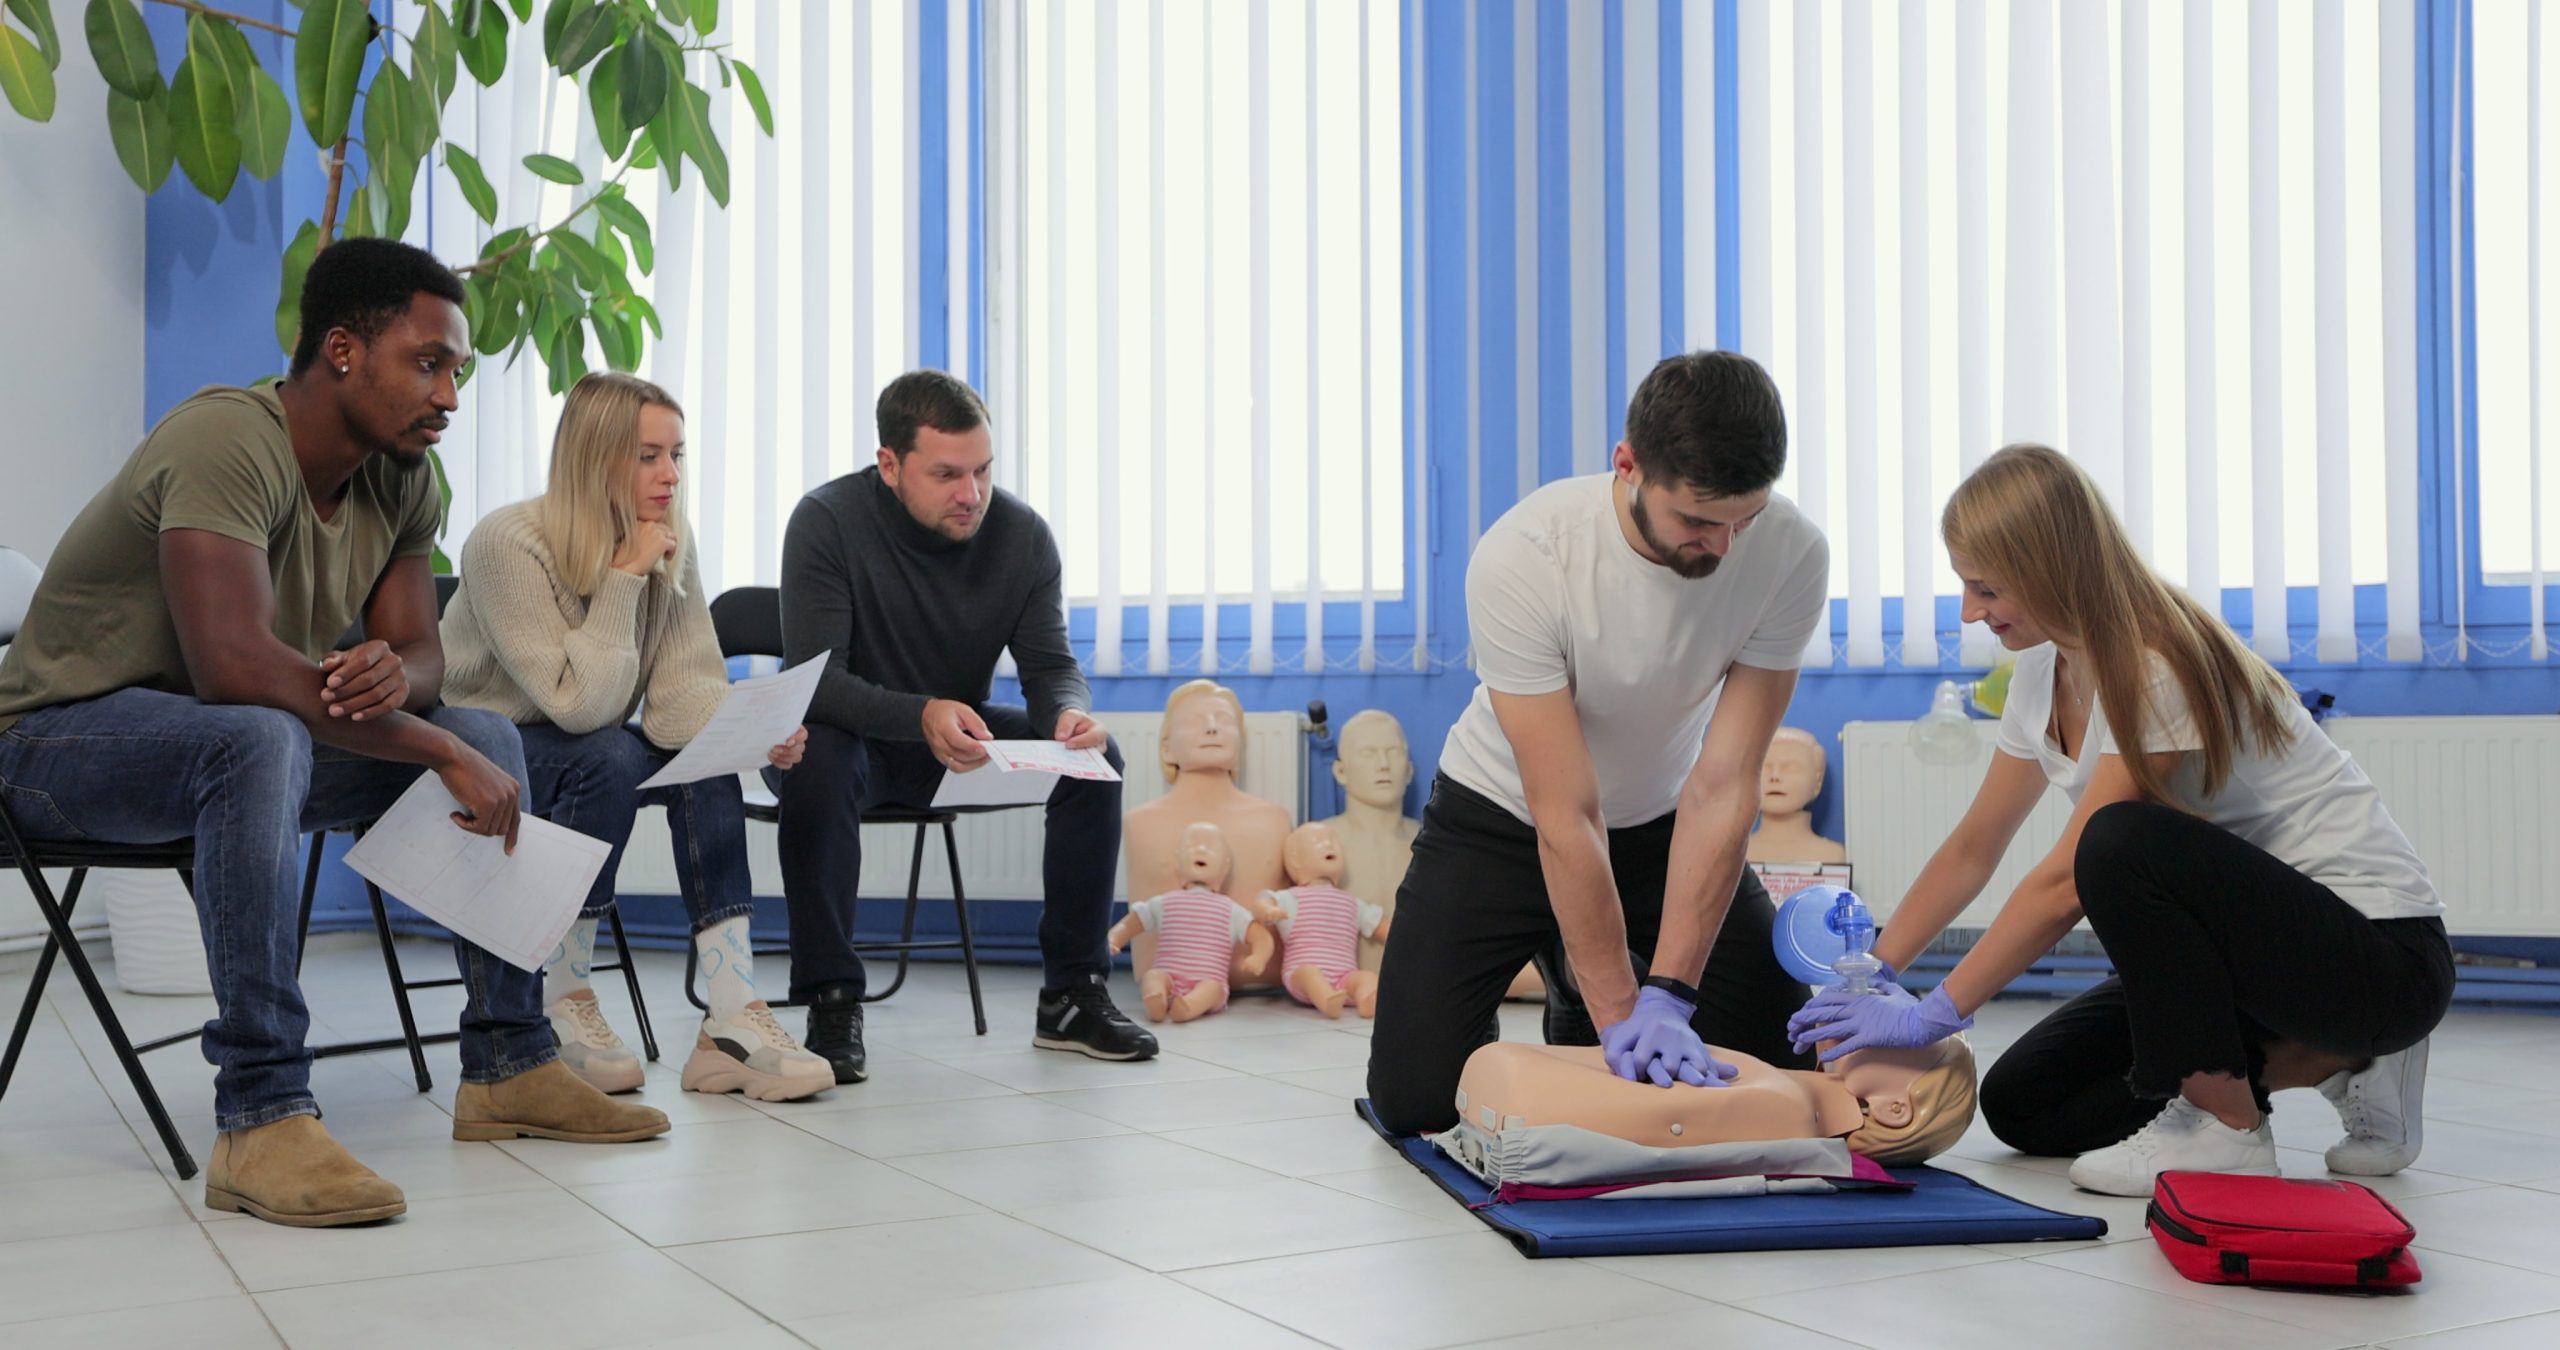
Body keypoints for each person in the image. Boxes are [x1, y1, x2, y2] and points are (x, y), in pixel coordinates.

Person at [0, 238, 667, 1227]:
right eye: (428, 362)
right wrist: (436, 747)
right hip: (57, 747)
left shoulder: (403, 476)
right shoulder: (225, 439)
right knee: (272, 737)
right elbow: (232, 667)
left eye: (458, 372)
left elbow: (424, 658)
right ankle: (261, 1117)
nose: (448, 393)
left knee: (485, 727)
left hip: (233, 748)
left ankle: (508, 1062)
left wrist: (412, 677)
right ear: (344, 350)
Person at [1787, 444, 2450, 1196]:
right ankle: (2329, 1059)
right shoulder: (2042, 669)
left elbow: (2066, 880)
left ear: (2051, 569)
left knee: (2117, 843)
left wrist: (1935, 1013)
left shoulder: (2157, 659)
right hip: (2253, 966)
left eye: (1986, 587)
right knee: (2028, 1105)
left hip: (2377, 961)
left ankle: (2229, 1127)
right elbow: (1974, 847)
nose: (1970, 610)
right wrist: (1877, 975)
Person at [1365, 350, 1830, 1136]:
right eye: (1697, 521)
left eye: (1741, 521)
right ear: (1628, 466)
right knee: (1416, 1104)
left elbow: (1724, 784)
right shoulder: (1527, 555)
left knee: (1783, 1057)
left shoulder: (1791, 553)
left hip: (1656, 824)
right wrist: (1620, 1014)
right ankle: (1575, 972)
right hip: (1500, 820)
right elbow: (1564, 809)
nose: (1722, 547)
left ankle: (1576, 973)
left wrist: (1671, 995)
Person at [440, 372, 833, 1103]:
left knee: (701, 762)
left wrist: (748, 731)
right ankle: (563, 994)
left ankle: (731, 1015)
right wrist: (624, 577)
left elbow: (683, 692)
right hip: (480, 745)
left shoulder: (665, 541)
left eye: (676, 455)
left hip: (582, 743)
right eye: (647, 456)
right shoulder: (506, 544)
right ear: (594, 458)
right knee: (611, 753)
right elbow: (576, 705)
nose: (668, 476)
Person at [773, 370, 1156, 1081]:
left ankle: (1072, 995)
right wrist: (917, 712)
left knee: (1098, 764)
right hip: (846, 741)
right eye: (947, 474)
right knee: (819, 760)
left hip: (953, 750)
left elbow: (1049, 668)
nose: (970, 493)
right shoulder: (826, 521)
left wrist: (1069, 713)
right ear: (890, 465)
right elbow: (815, 684)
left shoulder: (1021, 536)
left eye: (981, 470)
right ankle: (831, 997)